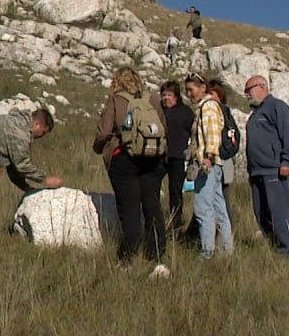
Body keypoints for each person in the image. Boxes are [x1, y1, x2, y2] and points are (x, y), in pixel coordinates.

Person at [93, 67, 170, 278]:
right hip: (153, 160)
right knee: (152, 206)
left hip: (125, 159)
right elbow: (164, 128)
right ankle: (156, 255)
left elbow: (104, 132)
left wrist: (99, 148)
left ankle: (127, 255)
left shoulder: (115, 101)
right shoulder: (152, 99)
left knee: (129, 209)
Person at [243, 75, 289, 258]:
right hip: (256, 172)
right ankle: (273, 247)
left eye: (248, 90)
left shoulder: (277, 107)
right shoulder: (255, 115)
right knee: (261, 213)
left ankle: (286, 251)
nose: (246, 95)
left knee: (279, 211)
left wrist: (286, 160)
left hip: (273, 170)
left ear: (262, 86)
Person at [185, 72, 233, 259]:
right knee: (218, 207)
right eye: (187, 90)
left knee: (203, 208)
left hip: (208, 164)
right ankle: (225, 250)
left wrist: (208, 156)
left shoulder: (208, 107)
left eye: (192, 89)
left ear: (202, 88)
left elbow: (212, 133)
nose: (189, 94)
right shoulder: (204, 108)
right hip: (214, 164)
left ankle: (208, 251)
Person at [0, 108, 63, 195]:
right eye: (43, 132)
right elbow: (22, 165)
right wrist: (45, 179)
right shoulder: (21, 133)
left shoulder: (15, 121)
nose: (42, 136)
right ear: (37, 124)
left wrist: (26, 188)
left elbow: (13, 167)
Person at [159, 80, 195, 234]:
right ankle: (156, 221)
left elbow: (195, 131)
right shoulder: (158, 110)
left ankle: (175, 224)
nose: (166, 98)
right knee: (153, 190)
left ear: (176, 96)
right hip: (158, 156)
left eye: (170, 95)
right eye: (164, 95)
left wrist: (190, 151)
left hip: (177, 157)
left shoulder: (185, 112)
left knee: (175, 191)